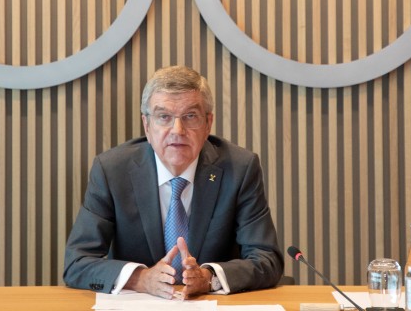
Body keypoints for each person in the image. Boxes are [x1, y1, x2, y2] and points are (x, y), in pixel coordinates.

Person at [63, 66, 284, 298]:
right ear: (147, 126)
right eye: (164, 117)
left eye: (190, 116)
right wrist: (141, 279)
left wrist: (209, 278)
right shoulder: (112, 170)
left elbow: (266, 258)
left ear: (208, 123)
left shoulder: (239, 169)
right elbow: (77, 262)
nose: (178, 130)